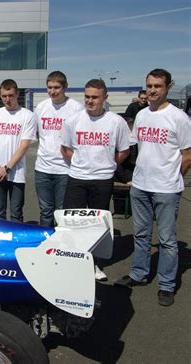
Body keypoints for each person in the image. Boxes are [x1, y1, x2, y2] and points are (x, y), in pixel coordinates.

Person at [115, 69, 191, 307]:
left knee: (167, 239)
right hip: (140, 186)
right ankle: (139, 273)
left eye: (158, 85)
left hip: (166, 188)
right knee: (141, 233)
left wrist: (171, 178)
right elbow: (137, 148)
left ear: (168, 87)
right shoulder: (142, 115)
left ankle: (167, 285)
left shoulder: (179, 117)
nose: (152, 90)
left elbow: (187, 155)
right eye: (149, 85)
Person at [61, 79, 130, 281]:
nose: (90, 101)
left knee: (96, 225)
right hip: (77, 178)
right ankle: (71, 263)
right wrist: (82, 162)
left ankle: (93, 265)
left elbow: (124, 150)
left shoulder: (116, 122)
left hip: (102, 180)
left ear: (105, 98)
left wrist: (106, 164)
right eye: (87, 97)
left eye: (95, 97)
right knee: (71, 223)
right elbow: (64, 148)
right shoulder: (73, 121)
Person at [34, 71, 84, 227]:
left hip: (65, 169)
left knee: (62, 212)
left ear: (65, 87)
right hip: (42, 168)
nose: (52, 91)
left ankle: (62, 247)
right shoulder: (41, 107)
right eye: (49, 87)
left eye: (56, 87)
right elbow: (36, 133)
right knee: (45, 210)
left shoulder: (76, 108)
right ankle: (46, 244)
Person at [0, 79, 37, 222]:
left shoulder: (27, 115)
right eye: (4, 96)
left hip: (16, 172)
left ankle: (16, 242)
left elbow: (24, 145)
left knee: (16, 213)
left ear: (17, 94)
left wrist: (7, 168)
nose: (7, 99)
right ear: (0, 96)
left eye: (11, 95)